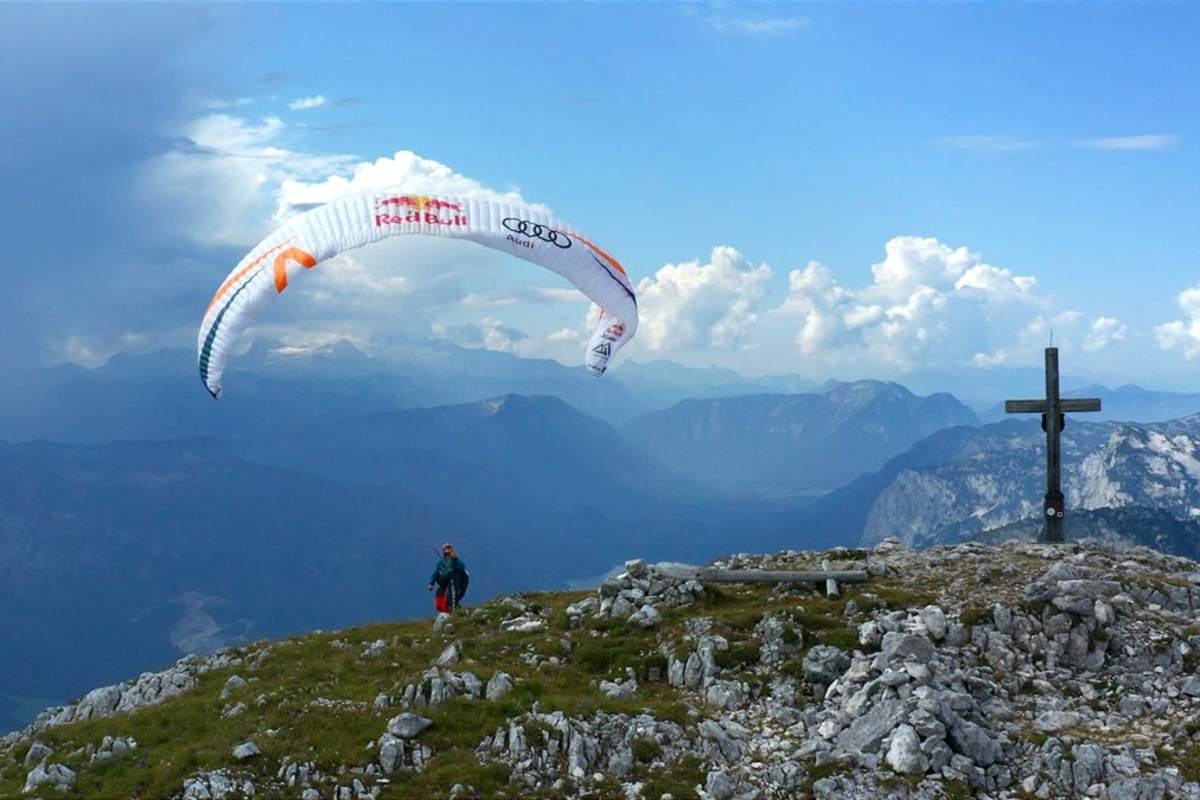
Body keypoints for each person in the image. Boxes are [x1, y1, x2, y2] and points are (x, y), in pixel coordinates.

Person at [428, 542, 469, 613]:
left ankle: (455, 613)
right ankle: (454, 611)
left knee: (451, 600)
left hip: (455, 584)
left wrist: (455, 559)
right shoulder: (440, 563)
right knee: (439, 604)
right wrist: (431, 583)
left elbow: (462, 568)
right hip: (444, 584)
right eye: (445, 548)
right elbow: (435, 573)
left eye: (449, 547)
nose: (447, 549)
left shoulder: (456, 561)